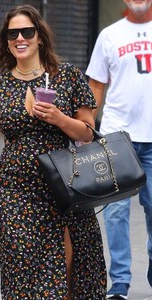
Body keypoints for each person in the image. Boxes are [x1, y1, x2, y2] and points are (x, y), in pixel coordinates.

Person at [0, 4, 107, 299]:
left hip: (63, 186)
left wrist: (58, 118)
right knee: (22, 267)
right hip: (13, 190)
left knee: (67, 269)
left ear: (40, 37)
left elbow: (88, 134)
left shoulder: (66, 77)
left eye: (27, 31)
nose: (20, 38)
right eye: (12, 33)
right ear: (6, 40)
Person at [86, 0, 152, 299]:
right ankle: (120, 282)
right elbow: (96, 87)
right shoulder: (110, 35)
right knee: (115, 213)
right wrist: (86, 129)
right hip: (116, 138)